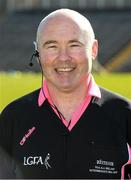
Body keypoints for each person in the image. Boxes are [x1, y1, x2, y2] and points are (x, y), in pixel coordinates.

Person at [0, 8, 131, 179]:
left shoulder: (125, 114)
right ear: (38, 52)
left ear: (93, 49)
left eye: (74, 45)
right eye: (52, 46)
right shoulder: (13, 117)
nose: (63, 57)